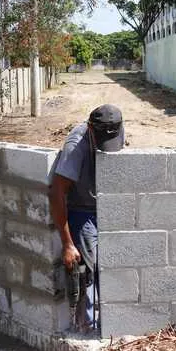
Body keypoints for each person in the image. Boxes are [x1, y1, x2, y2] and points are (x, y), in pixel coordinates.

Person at [48, 104, 125, 332]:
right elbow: (56, 192)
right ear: (91, 128)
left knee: (111, 270)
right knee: (87, 275)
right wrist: (67, 244)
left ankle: (109, 327)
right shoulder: (76, 145)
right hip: (83, 211)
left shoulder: (115, 128)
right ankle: (87, 328)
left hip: (106, 207)